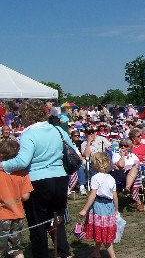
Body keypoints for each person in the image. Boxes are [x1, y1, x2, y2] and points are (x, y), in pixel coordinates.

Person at [0, 99, 74, 258]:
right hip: (60, 179)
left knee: (37, 224)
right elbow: (75, 152)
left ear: (27, 115)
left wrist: (2, 165)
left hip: (38, 182)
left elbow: (22, 161)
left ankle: (41, 254)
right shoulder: (58, 130)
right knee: (57, 220)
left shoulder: (29, 133)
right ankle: (64, 253)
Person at [79, 152, 118, 258]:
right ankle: (96, 252)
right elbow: (115, 196)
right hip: (109, 207)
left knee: (104, 234)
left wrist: (84, 209)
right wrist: (116, 210)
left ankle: (112, 256)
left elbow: (92, 195)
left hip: (99, 208)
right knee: (100, 231)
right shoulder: (111, 178)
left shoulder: (95, 178)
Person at [0, 140, 33, 258]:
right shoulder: (22, 173)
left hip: (2, 216)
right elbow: (25, 196)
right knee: (16, 249)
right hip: (17, 215)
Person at [110, 139, 144, 212]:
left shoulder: (133, 156)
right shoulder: (116, 155)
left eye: (125, 146)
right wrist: (122, 156)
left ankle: (127, 187)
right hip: (119, 175)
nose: (123, 147)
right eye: (121, 145)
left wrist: (125, 167)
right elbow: (121, 165)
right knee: (135, 174)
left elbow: (137, 165)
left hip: (131, 174)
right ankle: (138, 202)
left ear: (130, 147)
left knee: (135, 170)